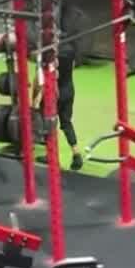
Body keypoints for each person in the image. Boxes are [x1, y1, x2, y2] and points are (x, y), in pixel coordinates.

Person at [34, 38, 83, 170]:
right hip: (69, 90)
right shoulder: (70, 51)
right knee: (66, 122)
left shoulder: (51, 55)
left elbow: (49, 76)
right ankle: (76, 153)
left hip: (55, 93)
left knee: (48, 120)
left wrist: (38, 98)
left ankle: (51, 155)